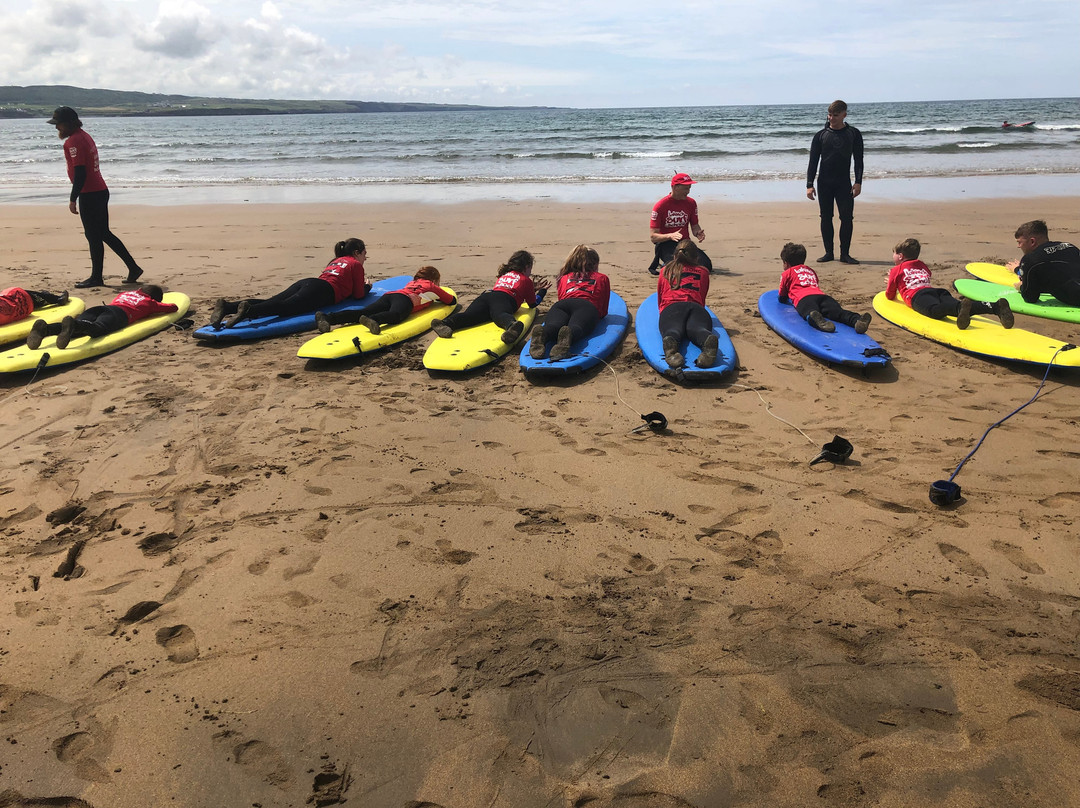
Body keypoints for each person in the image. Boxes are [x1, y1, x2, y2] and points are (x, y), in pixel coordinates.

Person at [47, 106, 144, 289]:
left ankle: (96, 278)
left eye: (58, 124)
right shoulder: (84, 135)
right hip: (99, 191)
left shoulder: (74, 142)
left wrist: (72, 198)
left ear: (68, 123)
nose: (56, 128)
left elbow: (81, 172)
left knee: (93, 235)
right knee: (102, 233)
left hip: (90, 193)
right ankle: (133, 267)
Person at [211, 238, 371, 328]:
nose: (365, 258)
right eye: (364, 254)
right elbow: (358, 295)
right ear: (356, 253)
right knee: (285, 308)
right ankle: (248, 311)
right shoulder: (355, 264)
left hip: (310, 283)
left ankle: (228, 306)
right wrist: (367, 287)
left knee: (274, 301)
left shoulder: (336, 260)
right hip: (324, 291)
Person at [886, 238, 1013, 330]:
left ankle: (960, 309)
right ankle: (995, 307)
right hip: (937, 291)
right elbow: (927, 275)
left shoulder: (896, 270)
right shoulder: (921, 265)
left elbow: (890, 295)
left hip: (918, 296)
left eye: (894, 253)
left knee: (934, 311)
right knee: (960, 306)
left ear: (900, 256)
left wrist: (895, 285)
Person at [430, 250, 549, 344]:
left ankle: (445, 323)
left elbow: (511, 286)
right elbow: (532, 304)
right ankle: (512, 327)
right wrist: (542, 292)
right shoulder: (526, 280)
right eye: (530, 269)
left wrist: (531, 289)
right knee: (500, 315)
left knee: (469, 316)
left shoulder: (504, 275)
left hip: (487, 296)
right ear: (527, 267)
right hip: (504, 299)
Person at [26, 285, 177, 350]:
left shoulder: (125, 294)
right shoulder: (150, 303)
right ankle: (75, 325)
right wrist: (156, 305)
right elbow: (172, 308)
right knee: (98, 328)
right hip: (118, 314)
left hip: (102, 307)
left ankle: (45, 330)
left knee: (77, 324)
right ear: (154, 298)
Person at [314, 266, 456, 334]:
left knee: (363, 311)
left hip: (390, 295)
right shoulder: (431, 286)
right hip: (406, 300)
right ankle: (375, 320)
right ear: (434, 279)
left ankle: (327, 318)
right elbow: (451, 300)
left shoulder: (411, 283)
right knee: (397, 315)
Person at [806, 100, 864, 265]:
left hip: (844, 182)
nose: (831, 118)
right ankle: (829, 253)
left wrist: (858, 182)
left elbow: (859, 160)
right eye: (829, 115)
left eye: (835, 115)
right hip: (824, 182)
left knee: (846, 218)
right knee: (825, 217)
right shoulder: (820, 136)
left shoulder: (853, 134)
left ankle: (845, 254)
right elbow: (813, 162)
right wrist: (809, 185)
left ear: (844, 115)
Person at [529, 245, 611, 360]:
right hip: (586, 306)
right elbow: (603, 310)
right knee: (577, 327)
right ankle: (567, 338)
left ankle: (543, 333)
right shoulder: (602, 278)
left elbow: (561, 297)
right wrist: (595, 317)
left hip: (561, 306)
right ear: (595, 264)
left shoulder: (564, 277)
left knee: (554, 326)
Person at [777, 242, 871, 333]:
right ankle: (857, 320)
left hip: (803, 298)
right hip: (822, 296)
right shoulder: (810, 270)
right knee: (839, 312)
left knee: (809, 311)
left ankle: (816, 319)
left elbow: (782, 296)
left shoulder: (787, 273)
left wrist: (784, 297)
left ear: (786, 263)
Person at [657, 239, 719, 368]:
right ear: (697, 258)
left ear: (674, 256)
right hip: (697, 309)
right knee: (697, 329)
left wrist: (664, 315)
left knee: (673, 330)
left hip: (672, 308)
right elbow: (702, 298)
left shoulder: (665, 270)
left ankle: (672, 349)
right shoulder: (703, 271)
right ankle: (707, 340)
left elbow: (661, 298)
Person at [647, 173, 712, 275]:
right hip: (666, 243)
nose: (688, 191)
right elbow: (653, 237)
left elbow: (695, 226)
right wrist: (670, 236)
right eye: (685, 188)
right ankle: (667, 263)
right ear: (675, 187)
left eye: (689, 188)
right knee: (680, 270)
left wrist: (698, 232)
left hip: (685, 243)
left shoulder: (691, 203)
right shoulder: (660, 206)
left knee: (706, 266)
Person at [1006, 220, 1080, 307]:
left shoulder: (1030, 260)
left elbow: (1030, 297)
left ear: (1032, 241)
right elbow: (1063, 269)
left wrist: (1021, 287)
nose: (1019, 246)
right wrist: (1020, 269)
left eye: (1019, 242)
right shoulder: (1070, 246)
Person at [0, 288, 69, 326]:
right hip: (24, 302)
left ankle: (44, 296)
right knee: (14, 293)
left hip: (21, 309)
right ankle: (56, 299)